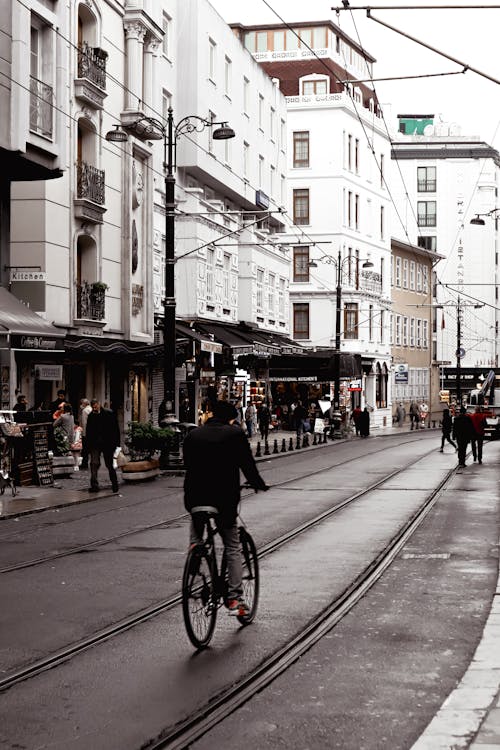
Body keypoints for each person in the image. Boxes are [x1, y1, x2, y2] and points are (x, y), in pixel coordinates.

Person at [183, 400, 268, 616]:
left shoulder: (193, 435)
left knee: (197, 526)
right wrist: (258, 483)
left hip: (195, 498)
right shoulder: (234, 434)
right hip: (223, 501)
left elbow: (188, 464)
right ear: (232, 418)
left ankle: (196, 550)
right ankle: (234, 599)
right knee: (232, 546)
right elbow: (247, 464)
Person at [86, 399, 121, 493]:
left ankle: (115, 484)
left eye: (95, 406)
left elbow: (115, 429)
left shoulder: (108, 413)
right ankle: (94, 485)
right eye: (93, 407)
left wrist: (117, 444)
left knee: (109, 465)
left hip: (107, 444)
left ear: (99, 404)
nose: (94, 408)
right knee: (94, 463)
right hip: (95, 444)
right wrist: (88, 446)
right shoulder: (91, 416)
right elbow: (88, 431)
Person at [79, 398, 92, 470]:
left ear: (84, 404)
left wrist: (83, 433)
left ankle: (84, 464)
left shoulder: (84, 411)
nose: (81, 405)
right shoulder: (91, 409)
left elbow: (84, 423)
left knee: (85, 450)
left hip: (86, 433)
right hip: (91, 433)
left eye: (82, 403)